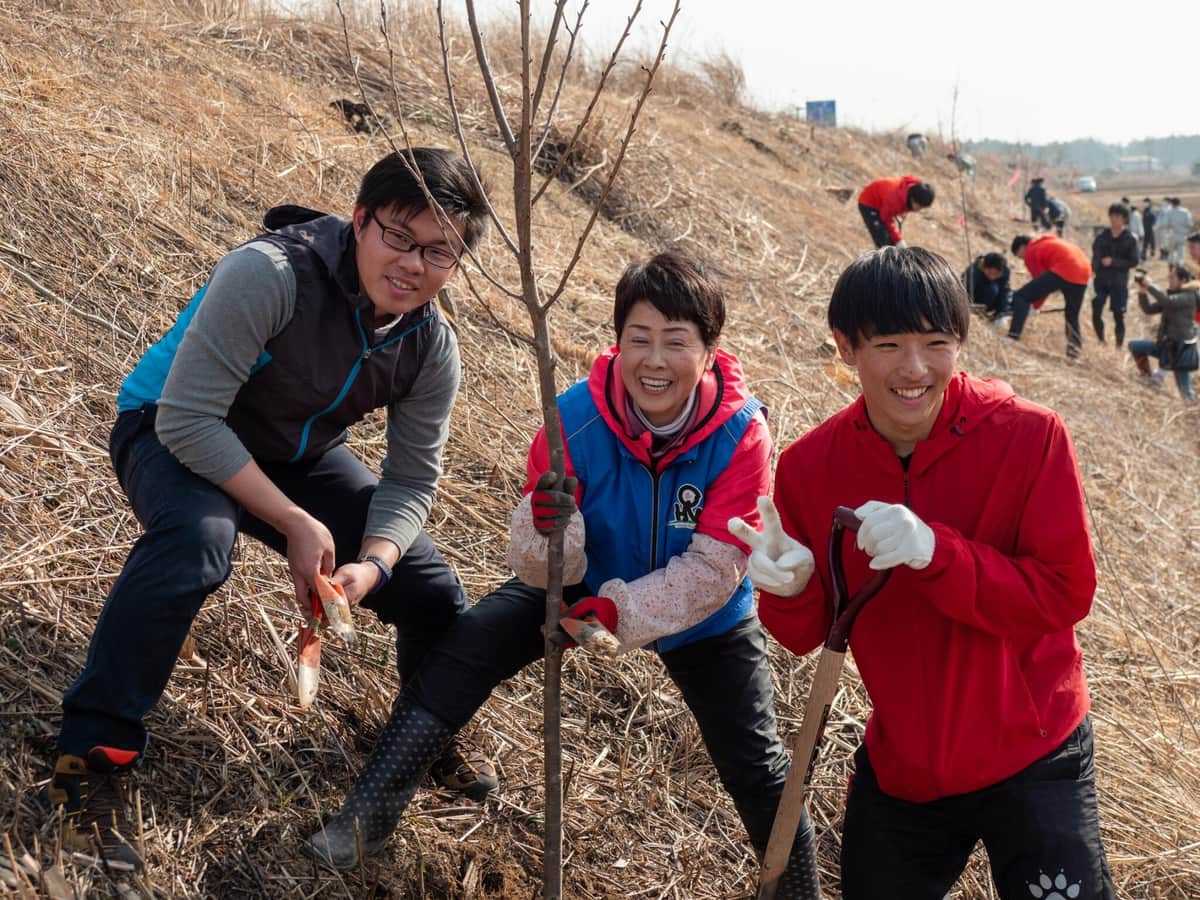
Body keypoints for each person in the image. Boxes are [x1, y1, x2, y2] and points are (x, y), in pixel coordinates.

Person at [303, 252, 822, 896]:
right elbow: (535, 556)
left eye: (676, 342)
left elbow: (715, 566)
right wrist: (549, 530)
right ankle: (367, 813)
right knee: (468, 647)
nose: (654, 362)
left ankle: (795, 887)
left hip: (704, 611)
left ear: (710, 351)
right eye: (639, 339)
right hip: (582, 579)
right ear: (618, 341)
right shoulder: (573, 414)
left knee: (759, 766)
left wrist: (618, 613)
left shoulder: (741, 432)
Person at [47, 148, 495, 873]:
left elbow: (411, 483)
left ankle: (420, 739)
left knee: (433, 589)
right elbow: (189, 421)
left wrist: (374, 565)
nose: (415, 265)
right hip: (169, 424)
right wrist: (293, 519)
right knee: (199, 540)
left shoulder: (430, 345)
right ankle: (91, 762)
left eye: (440, 251)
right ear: (359, 221)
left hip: (294, 451)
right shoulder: (271, 274)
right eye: (399, 237)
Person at [738, 246, 1115, 900]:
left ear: (961, 341)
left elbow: (1064, 592)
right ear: (846, 346)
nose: (914, 370)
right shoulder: (810, 468)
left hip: (1034, 748)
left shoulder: (1030, 438)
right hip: (908, 764)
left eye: (936, 342)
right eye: (887, 344)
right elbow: (808, 637)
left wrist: (939, 554)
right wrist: (792, 593)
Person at [1007, 233, 1092, 358]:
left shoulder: (1031, 252)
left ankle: (1013, 336)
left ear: (1022, 247)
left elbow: (1039, 285)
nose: (1022, 259)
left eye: (1019, 255)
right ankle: (1074, 352)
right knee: (1072, 315)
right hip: (1084, 272)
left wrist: (1034, 307)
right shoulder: (1048, 242)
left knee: (1021, 296)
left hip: (1066, 267)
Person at [1129, 265, 1199, 400]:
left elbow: (1167, 302)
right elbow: (1148, 309)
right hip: (1167, 346)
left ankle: (1193, 414)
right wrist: (1142, 292)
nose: (1169, 279)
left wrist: (1150, 285)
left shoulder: (1189, 296)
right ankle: (1148, 379)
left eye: (1172, 277)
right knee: (1135, 346)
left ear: (1183, 280)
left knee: (1186, 393)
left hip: (1181, 350)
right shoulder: (1175, 296)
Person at [1090, 203, 1140, 347]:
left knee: (1119, 315)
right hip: (1100, 281)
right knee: (1096, 311)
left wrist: (1114, 262)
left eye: (1117, 216)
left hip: (1119, 282)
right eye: (1112, 216)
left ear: (1124, 219)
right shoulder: (1101, 237)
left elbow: (1134, 261)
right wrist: (1094, 268)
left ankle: (1118, 346)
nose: (1114, 219)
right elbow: (1095, 256)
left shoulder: (1130, 239)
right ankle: (1101, 341)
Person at [857, 175, 935, 248]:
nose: (919, 210)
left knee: (891, 243)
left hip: (882, 203)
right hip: (869, 203)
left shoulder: (912, 189)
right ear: (913, 200)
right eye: (920, 206)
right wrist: (899, 240)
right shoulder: (894, 200)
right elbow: (886, 219)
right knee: (884, 243)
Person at [962, 251, 1012, 324]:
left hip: (992, 300)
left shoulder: (1005, 271)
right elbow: (964, 291)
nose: (992, 276)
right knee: (992, 290)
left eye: (996, 274)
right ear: (983, 267)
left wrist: (999, 313)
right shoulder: (973, 272)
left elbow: (1004, 292)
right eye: (990, 273)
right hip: (976, 297)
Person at [1163, 198, 1195, 264]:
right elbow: (1190, 224)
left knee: (1171, 254)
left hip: (1172, 235)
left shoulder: (1169, 212)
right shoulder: (1185, 212)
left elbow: (1165, 224)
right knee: (1181, 255)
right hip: (1182, 236)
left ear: (1172, 204)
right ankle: (1179, 269)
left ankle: (1171, 269)